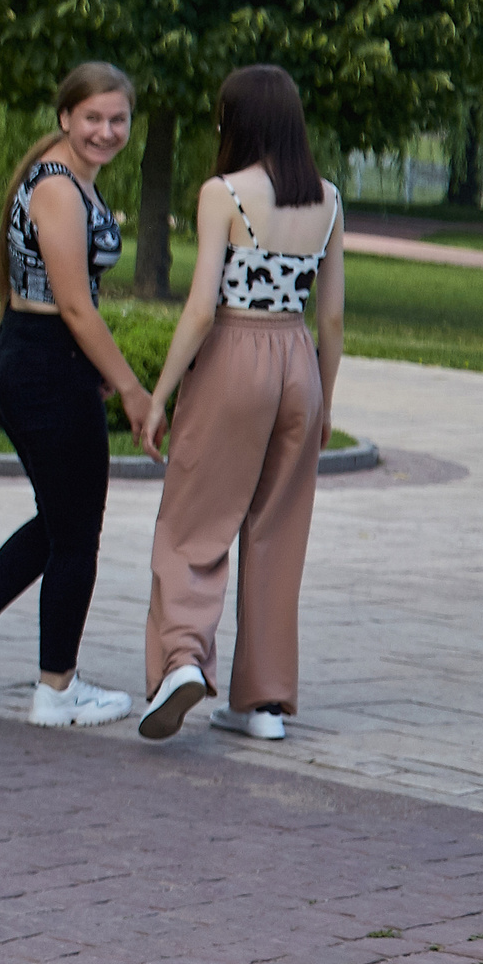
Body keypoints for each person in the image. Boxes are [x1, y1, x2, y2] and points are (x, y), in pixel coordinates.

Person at [0, 63, 148, 727]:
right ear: (64, 119)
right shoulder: (57, 188)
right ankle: (57, 689)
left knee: (58, 520)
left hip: (41, 357)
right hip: (43, 362)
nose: (106, 131)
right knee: (77, 534)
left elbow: (72, 301)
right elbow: (75, 305)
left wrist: (95, 365)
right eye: (93, 118)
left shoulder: (69, 178)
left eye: (118, 119)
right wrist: (133, 389)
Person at [134, 65, 344, 742]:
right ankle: (264, 704)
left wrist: (160, 393)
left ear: (237, 120)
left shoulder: (222, 193)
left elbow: (200, 308)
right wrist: (325, 401)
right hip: (297, 363)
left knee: (191, 520)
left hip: (235, 353)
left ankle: (182, 659)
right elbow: (333, 320)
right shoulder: (329, 199)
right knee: (278, 531)